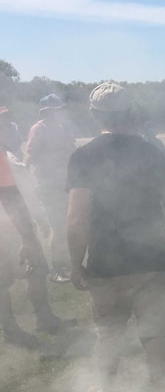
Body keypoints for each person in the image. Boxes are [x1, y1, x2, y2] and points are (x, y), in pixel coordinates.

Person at [66, 82, 165, 392]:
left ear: (94, 114)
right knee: (155, 335)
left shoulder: (83, 156)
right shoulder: (153, 154)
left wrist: (75, 263)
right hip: (150, 262)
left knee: (108, 335)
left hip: (107, 266)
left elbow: (77, 219)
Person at [1, 151, 74, 347]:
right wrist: (27, 237)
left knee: (36, 269)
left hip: (11, 223)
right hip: (8, 226)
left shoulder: (5, 154)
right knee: (7, 280)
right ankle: (11, 329)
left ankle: (43, 318)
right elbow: (9, 195)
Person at [24, 95, 77, 283]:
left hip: (64, 184)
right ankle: (56, 269)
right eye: (55, 109)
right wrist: (26, 181)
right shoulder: (39, 129)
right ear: (46, 111)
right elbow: (30, 156)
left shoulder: (62, 128)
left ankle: (69, 262)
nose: (58, 112)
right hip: (47, 185)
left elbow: (71, 151)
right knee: (57, 228)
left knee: (68, 225)